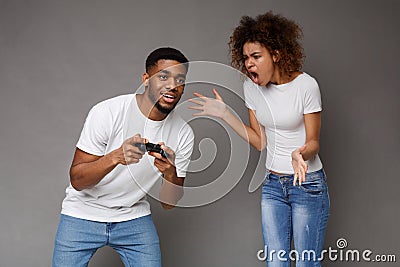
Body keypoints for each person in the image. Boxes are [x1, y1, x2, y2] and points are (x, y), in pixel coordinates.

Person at [189, 11, 329, 266]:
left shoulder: (306, 86)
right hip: (273, 185)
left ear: (275, 54)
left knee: (307, 263)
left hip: (307, 185)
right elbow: (260, 141)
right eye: (245, 58)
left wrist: (299, 154)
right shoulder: (251, 88)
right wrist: (225, 114)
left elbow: (314, 142)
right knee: (276, 263)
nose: (249, 63)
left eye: (256, 56)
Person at [52, 47, 194, 267]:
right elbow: (77, 180)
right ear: (146, 80)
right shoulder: (108, 112)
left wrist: (169, 172)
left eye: (180, 79)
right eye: (163, 77)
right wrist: (116, 157)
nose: (172, 86)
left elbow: (169, 204)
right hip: (82, 213)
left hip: (132, 216)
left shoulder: (183, 133)